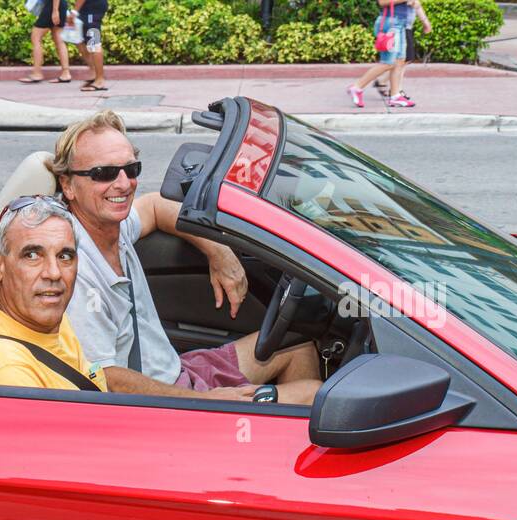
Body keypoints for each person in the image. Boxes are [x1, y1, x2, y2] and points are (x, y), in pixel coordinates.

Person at [51, 110, 322, 403]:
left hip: (180, 373)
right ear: (67, 185)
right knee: (314, 394)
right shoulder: (74, 271)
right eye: (103, 173)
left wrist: (219, 252)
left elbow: (156, 206)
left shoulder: (109, 224)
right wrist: (201, 402)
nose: (123, 184)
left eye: (131, 169)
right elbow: (106, 378)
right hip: (164, 402)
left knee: (298, 347)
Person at [0, 195, 108, 391]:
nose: (54, 273)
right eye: (33, 255)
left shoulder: (50, 320)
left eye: (64, 256)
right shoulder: (6, 370)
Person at [348, 0, 432, 109]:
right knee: (388, 63)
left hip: (401, 24)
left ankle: (395, 96)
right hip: (391, 23)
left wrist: (424, 21)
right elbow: (382, 2)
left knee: (400, 61)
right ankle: (357, 88)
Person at [23, 0, 74, 84]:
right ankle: (66, 73)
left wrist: (55, 11)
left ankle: (37, 73)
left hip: (53, 6)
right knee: (58, 39)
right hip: (59, 5)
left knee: (36, 37)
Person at [73, 0, 109, 92]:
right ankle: (94, 73)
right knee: (79, 40)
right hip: (87, 7)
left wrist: (74, 11)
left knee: (93, 42)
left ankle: (100, 80)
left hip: (92, 8)